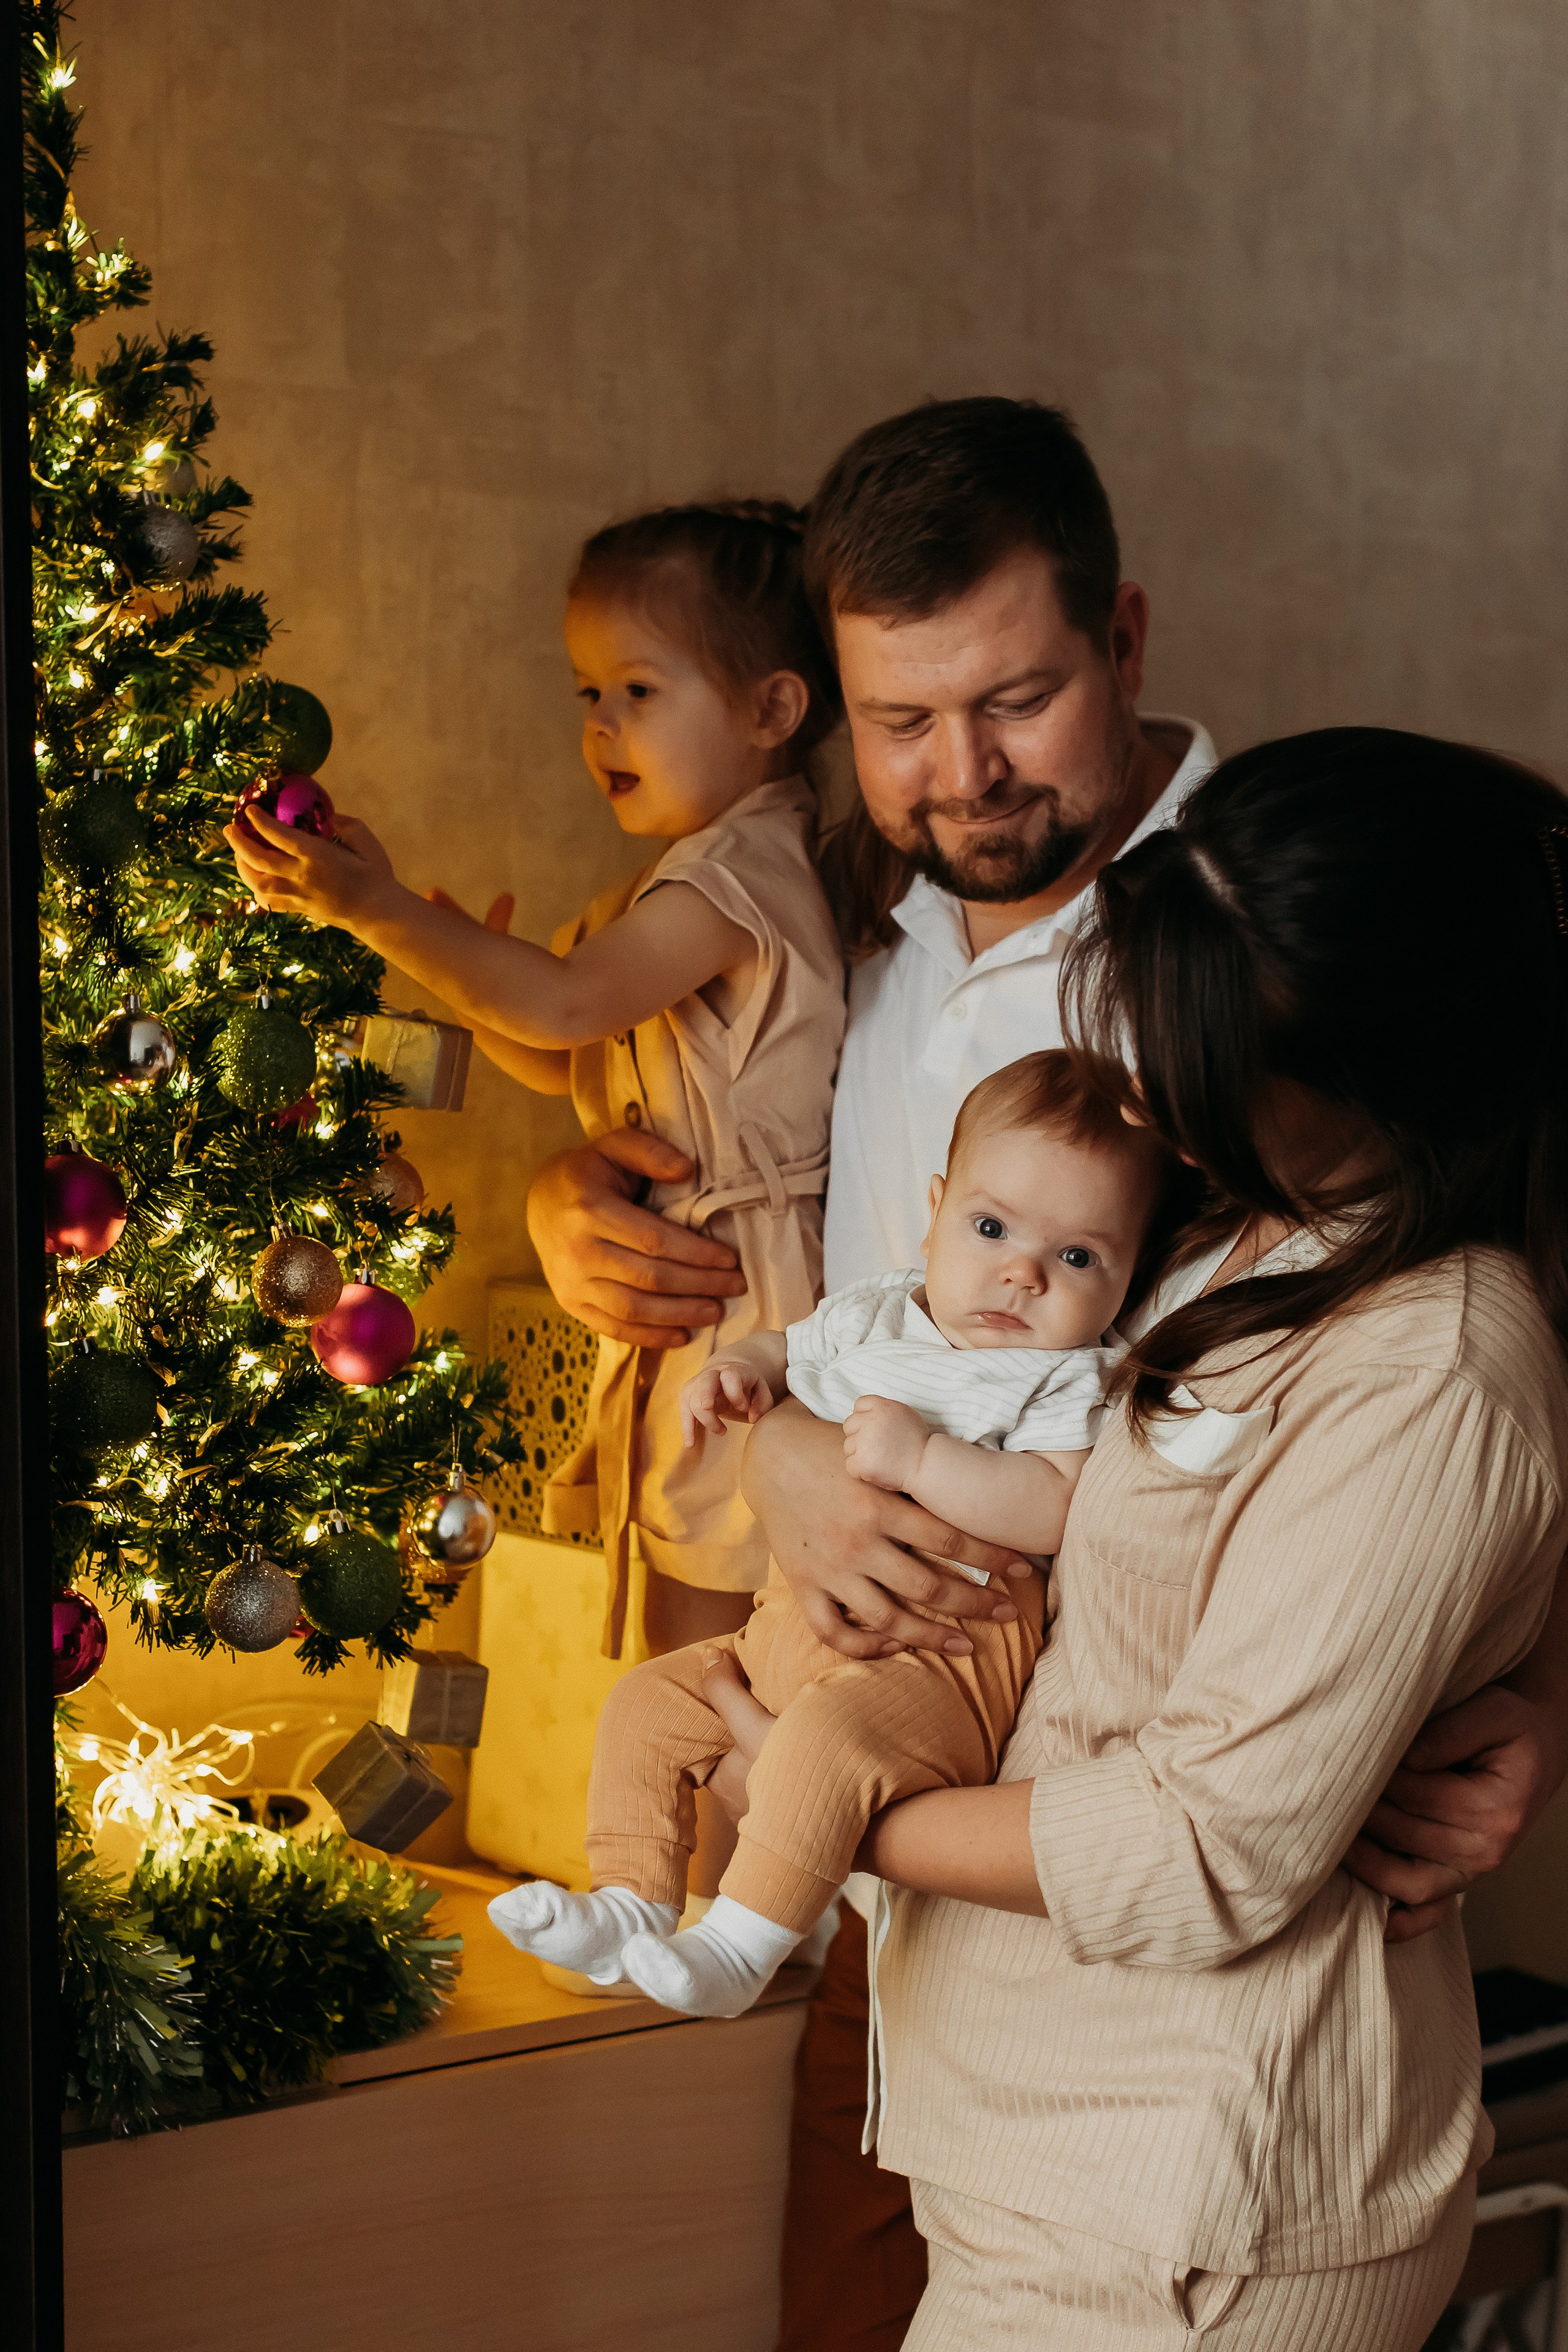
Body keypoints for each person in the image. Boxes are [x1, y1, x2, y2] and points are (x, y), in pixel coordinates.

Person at [731, 727, 1568, 2348]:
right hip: (1049, 2147)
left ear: (1370, 1088)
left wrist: (826, 1795)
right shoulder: (1236, 1221)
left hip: (1187, 2202)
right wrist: (791, 1449)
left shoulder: (1430, 1367)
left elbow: (1205, 1848)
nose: (1146, 1104)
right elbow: (937, 1360)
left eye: (1191, 1075)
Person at [226, 499, 846, 1686]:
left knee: (715, 1637)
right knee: (672, 1618)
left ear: (772, 710)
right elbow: (566, 1055)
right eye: (586, 695)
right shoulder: (666, 886)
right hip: (696, 1298)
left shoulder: (741, 876)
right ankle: (673, 1859)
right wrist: (431, 940)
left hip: (750, 1303)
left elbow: (562, 1005)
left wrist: (380, 914)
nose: (600, 727)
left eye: (638, 693)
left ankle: (713, 1868)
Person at [488, 1051, 1168, 2017]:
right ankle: (633, 1901)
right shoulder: (878, 1312)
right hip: (785, 1629)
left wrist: (923, 1462)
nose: (1021, 1274)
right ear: (934, 1209)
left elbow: (1054, 1506)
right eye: (990, 1228)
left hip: (939, 1662)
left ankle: (742, 1940)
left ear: (1128, 1276)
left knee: (827, 1743)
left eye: (1077, 1258)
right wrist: (745, 1372)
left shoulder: (1063, 1377)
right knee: (648, 1703)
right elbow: (789, 1347)